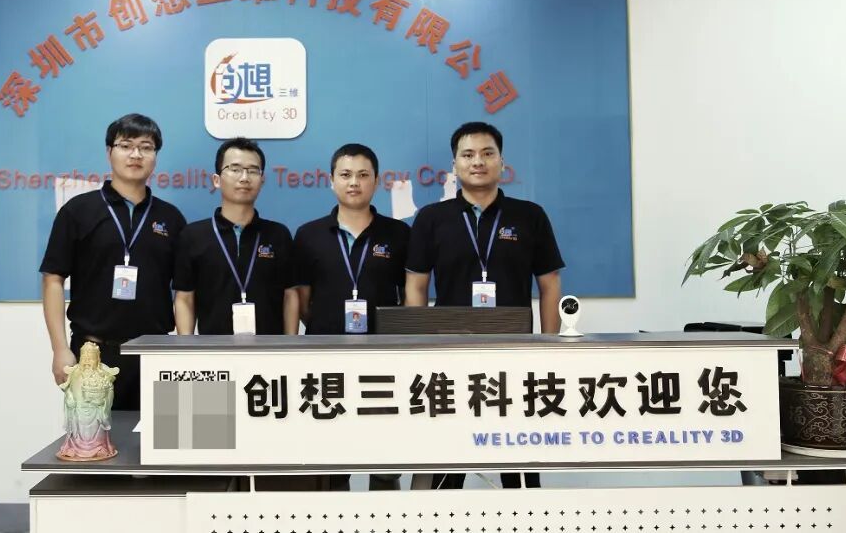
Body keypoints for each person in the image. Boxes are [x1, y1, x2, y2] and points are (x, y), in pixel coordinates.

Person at [404, 121, 564, 489]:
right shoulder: (432, 218)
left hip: (516, 354)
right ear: (455, 165)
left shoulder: (530, 216)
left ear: (502, 162)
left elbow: (549, 284)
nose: (478, 161)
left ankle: (524, 515)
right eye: (468, 154)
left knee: (518, 461)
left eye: (487, 153)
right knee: (448, 458)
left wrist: (549, 345)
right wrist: (418, 345)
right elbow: (416, 285)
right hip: (449, 355)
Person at [40, 113, 186, 410]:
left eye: (146, 147)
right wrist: (59, 349)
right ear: (109, 152)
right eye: (126, 145)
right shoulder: (78, 211)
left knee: (159, 437)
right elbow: (53, 279)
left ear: (155, 156)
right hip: (92, 353)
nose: (136, 154)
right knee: (92, 436)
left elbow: (185, 292)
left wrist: (185, 349)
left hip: (155, 353)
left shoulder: (170, 218)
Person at [293, 143, 410, 490]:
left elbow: (410, 295)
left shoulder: (399, 234)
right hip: (325, 360)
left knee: (384, 459)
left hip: (383, 362)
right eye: (345, 175)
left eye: (363, 175)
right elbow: (303, 300)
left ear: (377, 181)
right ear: (331, 181)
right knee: (331, 457)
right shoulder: (309, 235)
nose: (354, 182)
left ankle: (386, 514)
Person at [174, 137, 298, 335]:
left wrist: (290, 344)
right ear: (216, 180)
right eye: (235, 169)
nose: (244, 178)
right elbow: (184, 298)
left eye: (253, 170)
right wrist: (186, 345)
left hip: (269, 349)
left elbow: (290, 295)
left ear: (262, 181)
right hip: (213, 349)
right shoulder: (193, 235)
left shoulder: (278, 235)